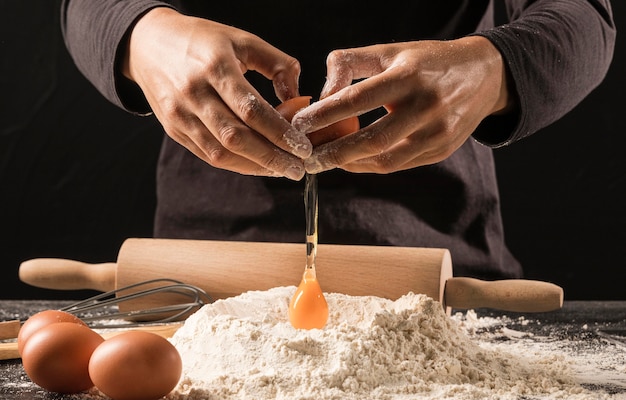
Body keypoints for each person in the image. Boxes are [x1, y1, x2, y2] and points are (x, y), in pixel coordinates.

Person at [60, 1, 615, 280]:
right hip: (206, 267)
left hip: (442, 259)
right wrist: (141, 31)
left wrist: (497, 66)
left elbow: (588, 15)